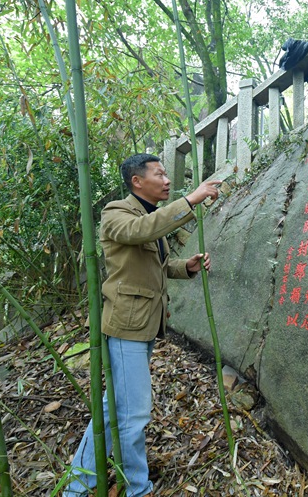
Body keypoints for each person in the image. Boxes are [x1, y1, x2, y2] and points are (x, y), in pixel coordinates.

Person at [64, 153, 221, 497]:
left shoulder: (151, 215)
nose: (167, 180)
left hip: (145, 323)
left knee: (114, 408)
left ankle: (77, 485)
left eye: (167, 175)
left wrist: (186, 267)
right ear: (137, 181)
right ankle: (136, 487)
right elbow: (136, 234)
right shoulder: (117, 213)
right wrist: (190, 199)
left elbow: (158, 265)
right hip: (126, 324)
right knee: (133, 412)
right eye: (160, 174)